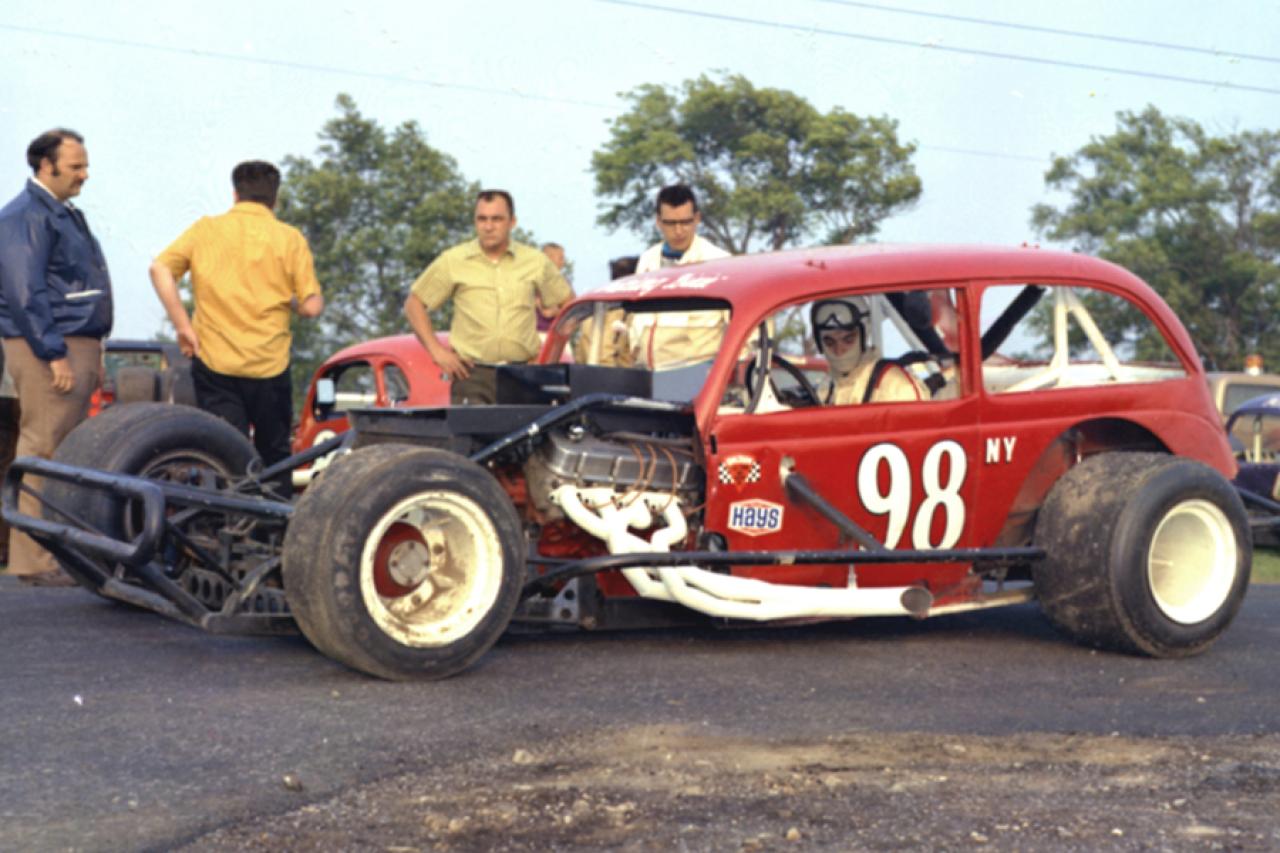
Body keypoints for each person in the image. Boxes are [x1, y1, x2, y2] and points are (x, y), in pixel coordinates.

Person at [150, 161, 323, 490]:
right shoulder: (289, 238)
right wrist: (288, 300)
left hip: (216, 360)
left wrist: (183, 326)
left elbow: (160, 269)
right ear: (275, 198)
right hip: (269, 364)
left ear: (235, 194)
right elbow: (312, 307)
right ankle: (272, 519)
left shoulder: (205, 230)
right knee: (275, 454)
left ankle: (228, 517)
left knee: (226, 453)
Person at [0, 128, 113, 585]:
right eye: (75, 166)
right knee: (43, 448)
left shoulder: (59, 214)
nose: (84, 175)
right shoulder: (27, 216)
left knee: (59, 450)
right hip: (51, 345)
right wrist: (53, 353)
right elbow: (24, 292)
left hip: (69, 342)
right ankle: (35, 561)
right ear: (46, 166)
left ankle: (51, 557)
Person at [404, 190, 571, 405]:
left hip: (524, 376)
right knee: (473, 428)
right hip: (472, 376)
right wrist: (437, 352)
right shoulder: (453, 260)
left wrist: (550, 356)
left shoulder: (535, 262)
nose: (489, 226)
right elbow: (414, 304)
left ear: (512, 222)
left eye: (497, 219)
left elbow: (569, 305)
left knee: (529, 428)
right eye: (482, 219)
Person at [631, 185, 732, 369]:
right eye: (670, 223)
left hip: (698, 372)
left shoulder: (719, 262)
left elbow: (738, 326)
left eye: (685, 222)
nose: (678, 231)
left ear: (697, 219)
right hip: (647, 371)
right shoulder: (647, 260)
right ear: (658, 222)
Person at [811, 297, 925, 405]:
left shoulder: (895, 386)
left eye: (848, 340)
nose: (839, 351)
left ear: (864, 335)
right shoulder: (827, 389)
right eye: (829, 342)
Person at [537, 242, 571, 335]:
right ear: (549, 259)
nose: (563, 262)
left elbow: (571, 307)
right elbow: (547, 312)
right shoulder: (537, 280)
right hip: (539, 333)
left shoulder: (563, 282)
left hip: (556, 333)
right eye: (561, 258)